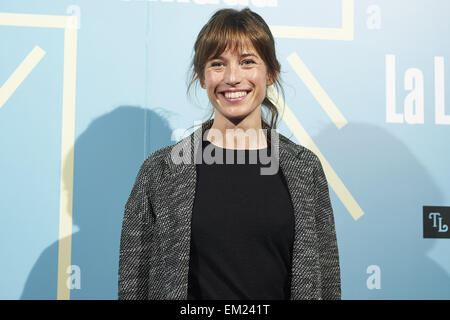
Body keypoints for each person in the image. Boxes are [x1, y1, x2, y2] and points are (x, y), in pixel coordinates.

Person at [118, 7, 341, 300]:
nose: (233, 78)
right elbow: (134, 284)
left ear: (270, 72)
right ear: (202, 77)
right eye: (217, 64)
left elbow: (326, 284)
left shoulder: (305, 169)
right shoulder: (160, 171)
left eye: (247, 62)